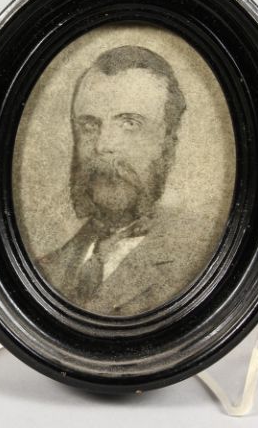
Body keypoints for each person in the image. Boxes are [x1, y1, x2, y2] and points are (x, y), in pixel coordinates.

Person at [38, 45, 214, 316]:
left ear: (168, 145)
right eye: (89, 125)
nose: (103, 146)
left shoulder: (203, 260)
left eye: (129, 123)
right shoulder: (45, 270)